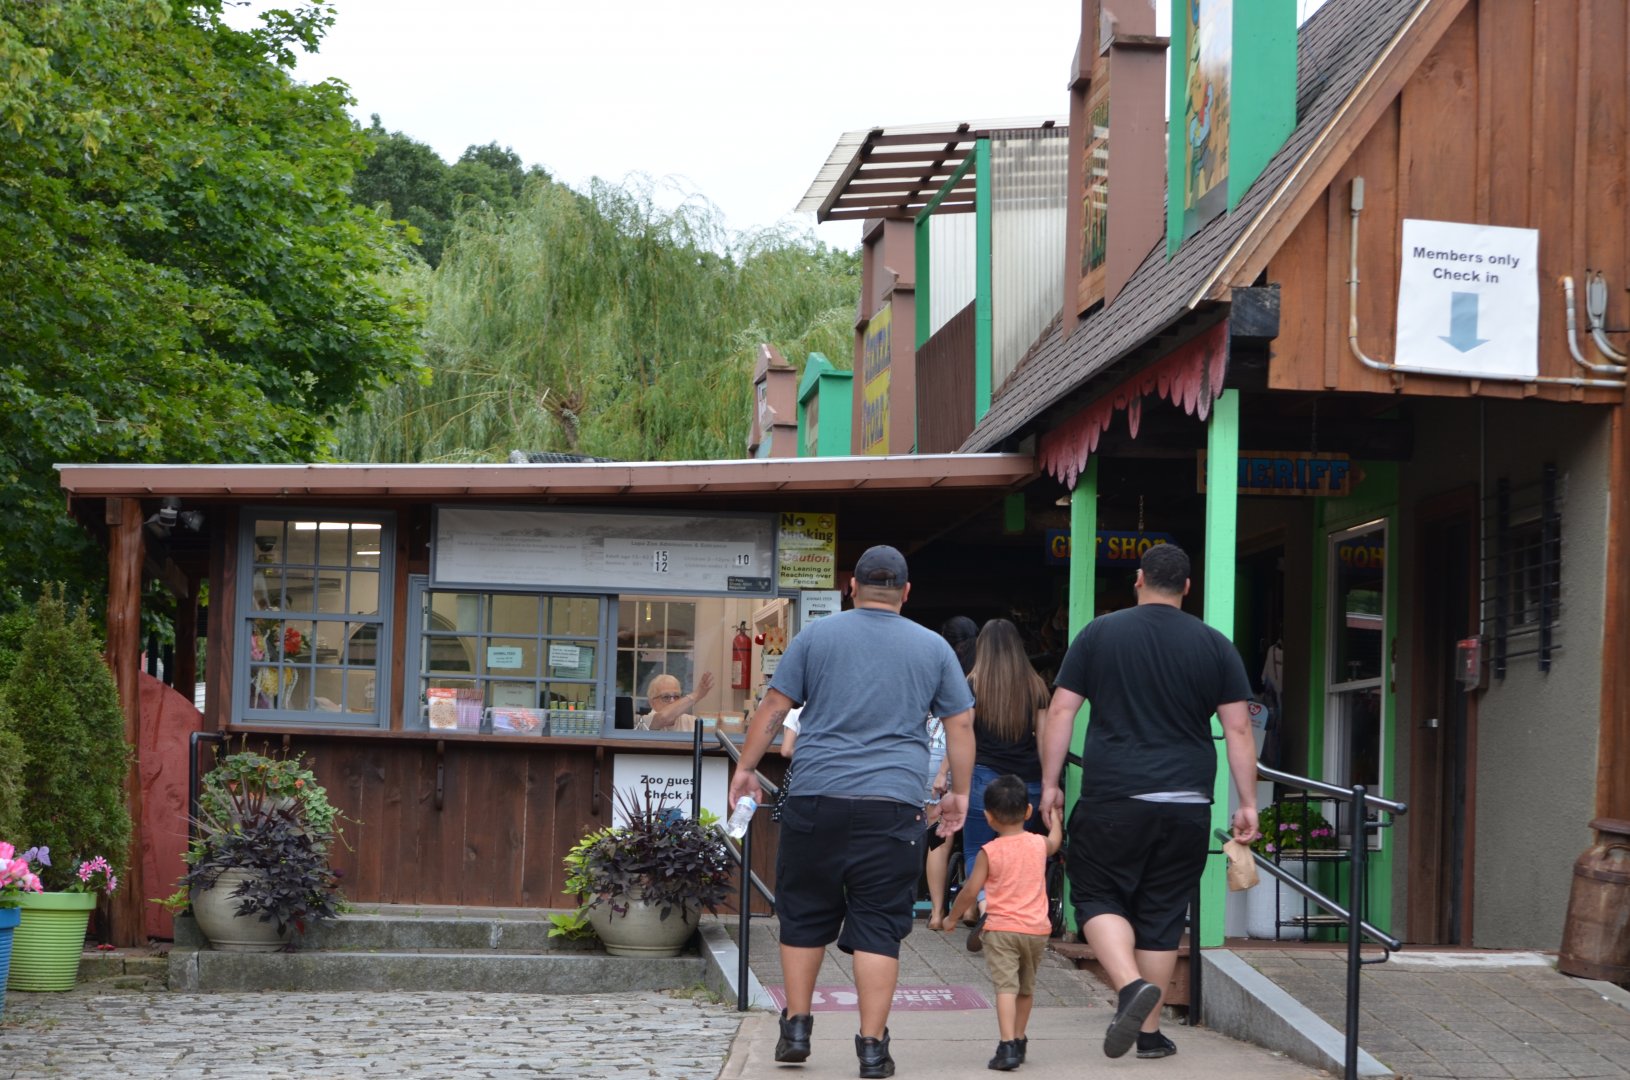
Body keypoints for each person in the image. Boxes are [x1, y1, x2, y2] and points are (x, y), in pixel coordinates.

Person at [727, 544, 975, 1080]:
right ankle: (870, 1049)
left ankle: (795, 1028)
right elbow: (960, 724)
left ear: (851, 588)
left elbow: (774, 707)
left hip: (817, 798)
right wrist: (958, 793)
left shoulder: (816, 637)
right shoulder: (934, 649)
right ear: (907, 593)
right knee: (880, 926)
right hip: (894, 807)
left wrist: (746, 768)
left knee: (804, 914)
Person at [1038, 543, 1261, 1061]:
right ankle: (1150, 1035)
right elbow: (1238, 727)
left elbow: (1061, 711)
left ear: (1138, 580)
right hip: (1187, 800)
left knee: (1095, 895)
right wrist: (1246, 801)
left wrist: (1051, 781)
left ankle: (1129, 988)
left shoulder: (1099, 634)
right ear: (1187, 587)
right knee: (1161, 913)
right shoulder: (1215, 645)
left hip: (1114, 793)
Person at [939, 774, 1064, 1072]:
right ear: (1029, 812)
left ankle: (1006, 1044)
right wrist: (1056, 819)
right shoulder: (1037, 844)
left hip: (1002, 930)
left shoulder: (989, 852)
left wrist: (952, 917)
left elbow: (971, 890)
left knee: (1005, 987)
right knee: (1025, 988)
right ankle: (1019, 1039)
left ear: (988, 817)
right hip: (1036, 930)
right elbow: (1056, 843)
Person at [963, 618, 1051, 951]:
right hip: (1026, 781)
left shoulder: (972, 684)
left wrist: (950, 777)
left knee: (977, 849)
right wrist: (1050, 782)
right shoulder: (1037, 686)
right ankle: (1015, 916)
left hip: (983, 777)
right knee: (1017, 850)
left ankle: (986, 905)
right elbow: (1044, 740)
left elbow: (964, 736)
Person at [638, 670, 715, 731]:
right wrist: (697, 694)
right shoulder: (645, 720)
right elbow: (663, 717)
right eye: (666, 697)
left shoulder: (691, 721)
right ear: (652, 703)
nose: (672, 701)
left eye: (676, 696)